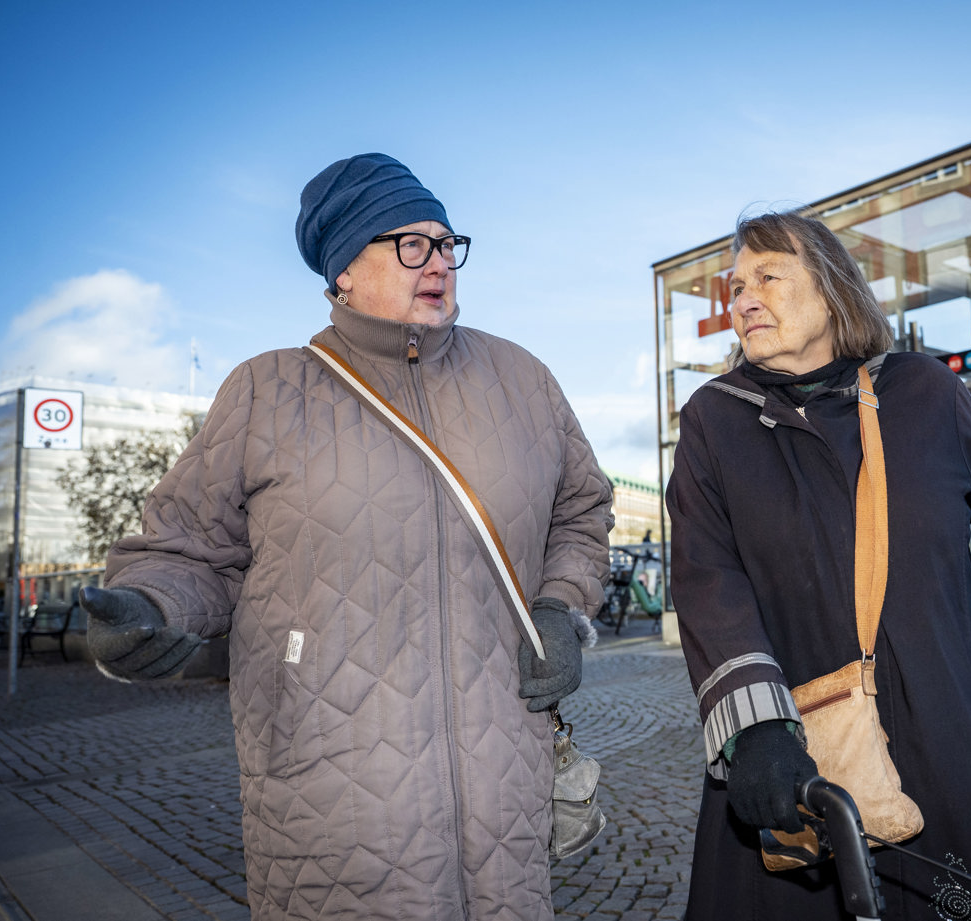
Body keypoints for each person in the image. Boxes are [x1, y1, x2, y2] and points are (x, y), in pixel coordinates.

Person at [78, 153, 613, 921]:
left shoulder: (522, 379)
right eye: (410, 243)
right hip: (330, 806)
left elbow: (582, 507)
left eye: (446, 241)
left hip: (504, 799)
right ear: (343, 272)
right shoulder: (266, 390)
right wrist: (148, 606)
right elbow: (186, 548)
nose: (438, 261)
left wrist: (562, 605)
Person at [665, 209, 971, 920]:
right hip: (794, 760)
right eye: (735, 284)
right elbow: (706, 580)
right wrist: (755, 729)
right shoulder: (715, 421)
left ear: (833, 287)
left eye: (768, 277)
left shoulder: (927, 393)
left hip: (945, 738)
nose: (743, 298)